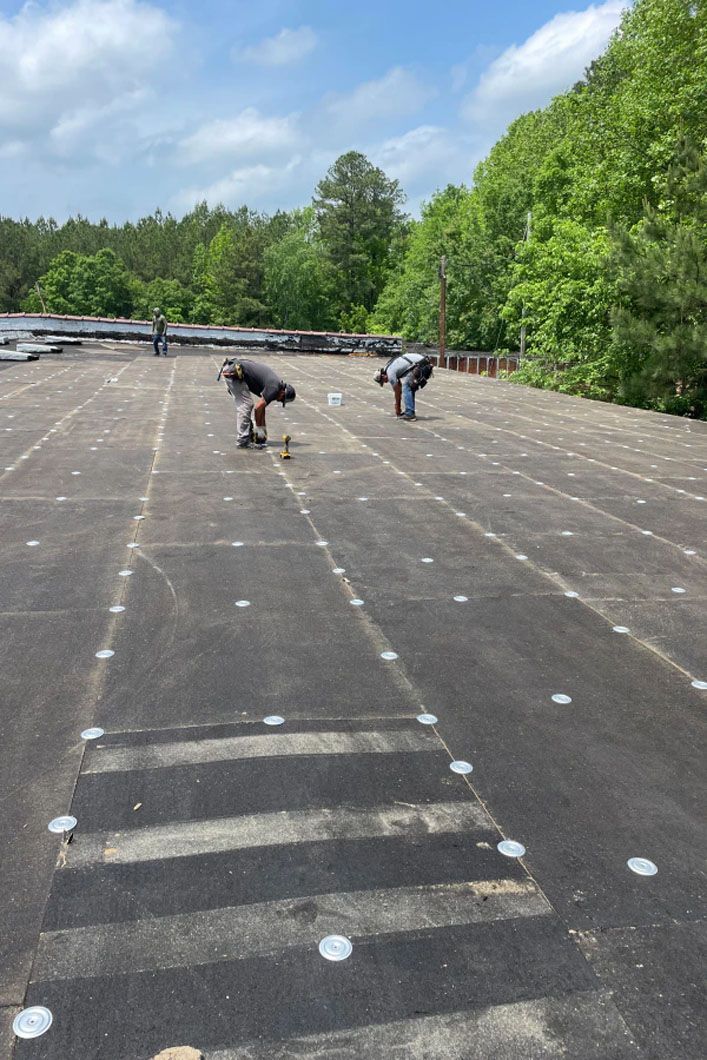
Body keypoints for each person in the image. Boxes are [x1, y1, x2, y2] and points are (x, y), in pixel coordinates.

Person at [219, 357, 296, 449]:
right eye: (281, 399)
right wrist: (260, 433)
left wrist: (262, 432)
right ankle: (242, 441)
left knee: (246, 405)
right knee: (246, 404)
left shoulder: (275, 385)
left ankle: (248, 434)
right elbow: (258, 408)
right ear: (283, 393)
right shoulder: (274, 388)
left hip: (235, 370)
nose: (278, 400)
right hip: (234, 372)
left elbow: (262, 409)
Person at [374, 352, 433, 421]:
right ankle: (410, 412)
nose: (386, 382)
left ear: (383, 376)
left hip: (421, 365)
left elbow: (397, 392)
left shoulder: (390, 373)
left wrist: (397, 407)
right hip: (423, 363)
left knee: (406, 387)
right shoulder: (389, 367)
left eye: (384, 381)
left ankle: (410, 413)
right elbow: (399, 387)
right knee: (410, 387)